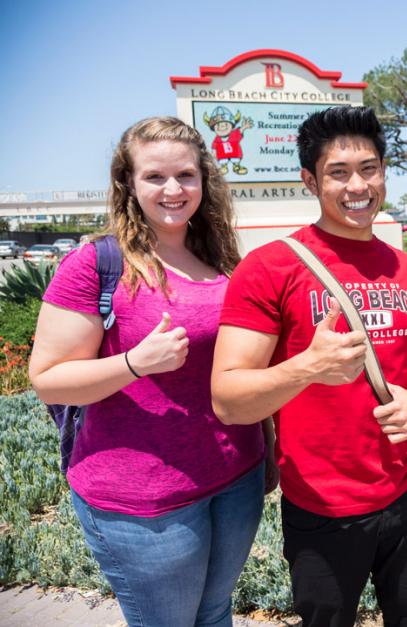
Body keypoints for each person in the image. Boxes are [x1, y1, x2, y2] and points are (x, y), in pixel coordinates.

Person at [29, 116, 275, 627]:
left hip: (236, 476)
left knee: (214, 613)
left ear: (204, 180)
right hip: (144, 501)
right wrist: (134, 363)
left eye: (185, 175)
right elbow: (48, 377)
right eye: (155, 177)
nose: (173, 189)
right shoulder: (98, 263)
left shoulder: (219, 256)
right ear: (128, 184)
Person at [210, 106, 407, 627]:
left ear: (384, 172)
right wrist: (305, 369)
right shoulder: (271, 266)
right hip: (322, 508)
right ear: (310, 180)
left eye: (369, 168)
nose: (357, 185)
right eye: (338, 172)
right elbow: (227, 398)